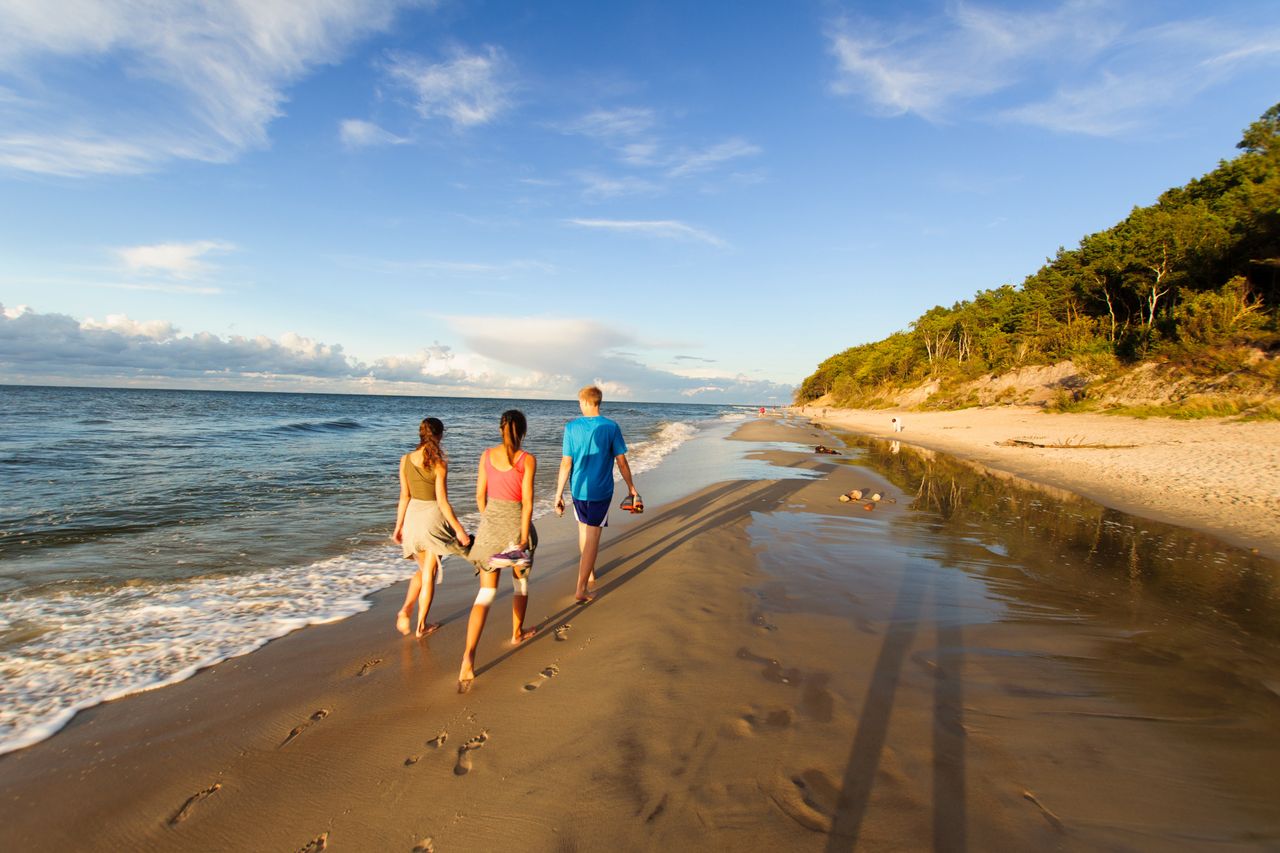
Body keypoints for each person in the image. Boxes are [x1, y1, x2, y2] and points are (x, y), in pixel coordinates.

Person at [458, 410, 538, 692]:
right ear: (523, 431)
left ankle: (469, 655)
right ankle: (517, 633)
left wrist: (490, 520)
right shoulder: (527, 460)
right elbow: (527, 503)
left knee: (486, 594)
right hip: (516, 529)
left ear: (501, 428)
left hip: (490, 532)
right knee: (521, 585)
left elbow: (480, 496)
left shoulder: (485, 456)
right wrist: (523, 537)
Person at [554, 385, 640, 603]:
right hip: (600, 490)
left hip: (578, 489)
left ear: (585, 402)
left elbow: (566, 463)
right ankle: (581, 587)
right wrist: (631, 487)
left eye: (579, 403)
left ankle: (589, 573)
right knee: (593, 536)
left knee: (583, 529)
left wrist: (558, 494)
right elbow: (621, 462)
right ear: (598, 402)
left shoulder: (571, 427)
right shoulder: (611, 427)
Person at [393, 417, 471, 638]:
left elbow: (404, 496)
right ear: (440, 435)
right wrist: (459, 530)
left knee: (423, 569)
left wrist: (398, 526)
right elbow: (443, 501)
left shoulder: (405, 460)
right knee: (429, 573)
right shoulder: (439, 463)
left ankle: (406, 608)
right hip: (432, 519)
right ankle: (421, 626)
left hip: (412, 519)